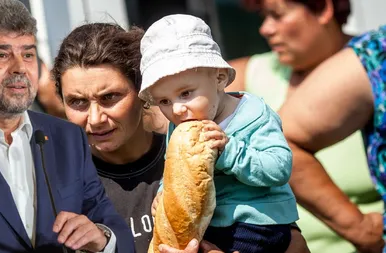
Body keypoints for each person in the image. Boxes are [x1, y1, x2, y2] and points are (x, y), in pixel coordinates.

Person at [0, 0, 135, 252]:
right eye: (2, 55)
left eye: (28, 54)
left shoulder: (68, 138)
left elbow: (116, 233)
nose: (19, 68)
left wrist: (102, 238)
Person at [225, 0, 384, 252]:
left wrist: (363, 232)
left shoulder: (374, 66)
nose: (265, 29)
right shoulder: (249, 75)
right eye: (263, 16)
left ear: (323, 9)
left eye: (277, 15)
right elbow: (165, 105)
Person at [139, 14, 299, 253]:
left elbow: (279, 168)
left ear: (219, 78)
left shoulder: (254, 114)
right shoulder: (182, 124)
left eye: (185, 93)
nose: (177, 109)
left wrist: (229, 150)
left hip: (258, 221)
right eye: (164, 100)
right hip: (212, 222)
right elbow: (175, 171)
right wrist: (163, 193)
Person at [51, 23, 166, 253]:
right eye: (77, 102)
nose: (95, 119)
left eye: (109, 97)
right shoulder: (55, 188)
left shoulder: (191, 157)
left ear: (144, 92)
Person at [277, 25, 386, 253]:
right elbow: (281, 142)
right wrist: (361, 228)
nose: (266, 28)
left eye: (277, 15)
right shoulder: (374, 55)